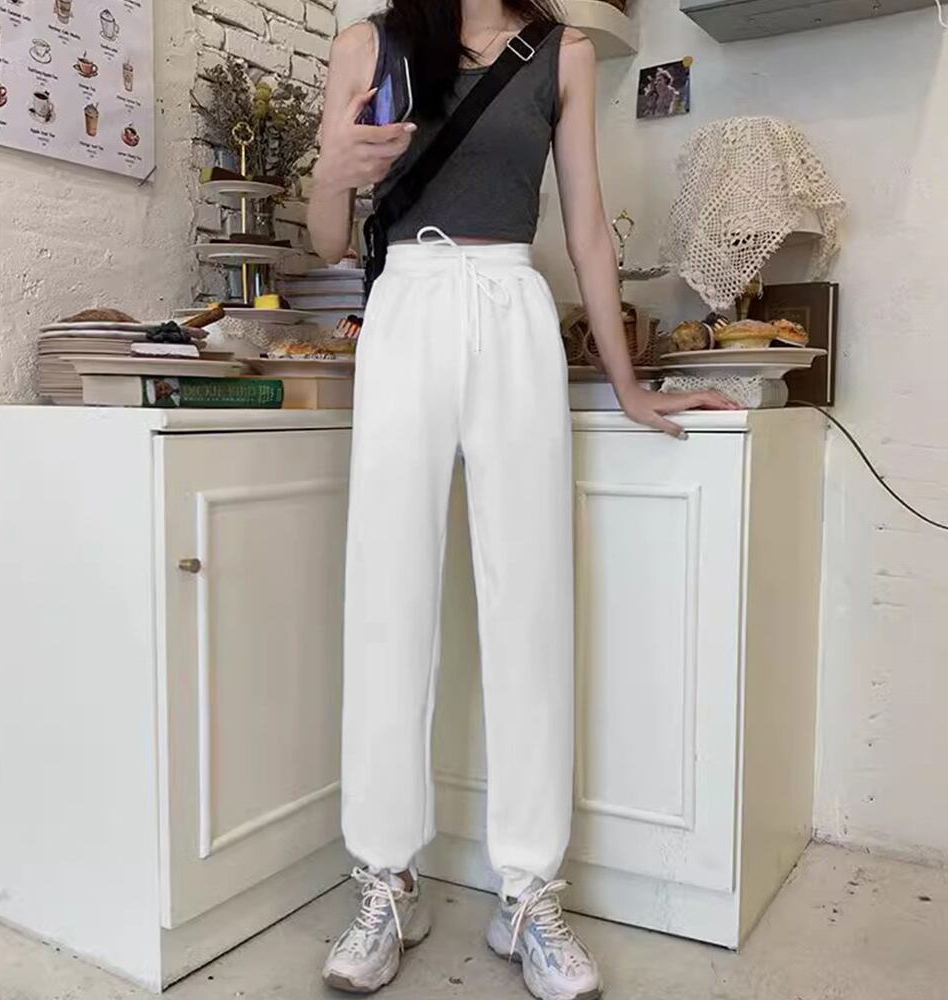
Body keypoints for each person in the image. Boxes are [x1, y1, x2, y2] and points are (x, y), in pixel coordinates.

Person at [308, 2, 737, 997]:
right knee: (387, 598)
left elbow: (585, 228)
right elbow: (329, 239)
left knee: (529, 603)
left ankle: (529, 893)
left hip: (512, 309)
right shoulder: (367, 45)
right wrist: (331, 172)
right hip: (403, 310)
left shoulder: (561, 53)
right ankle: (386, 880)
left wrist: (629, 386)